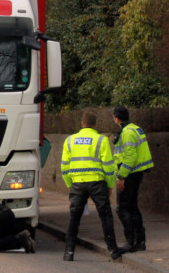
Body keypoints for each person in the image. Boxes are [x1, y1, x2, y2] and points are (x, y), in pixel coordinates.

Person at [61, 111, 124, 261]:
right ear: (95, 125)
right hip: (97, 183)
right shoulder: (101, 140)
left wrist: (70, 184)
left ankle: (68, 252)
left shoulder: (69, 140)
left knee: (74, 218)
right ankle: (113, 250)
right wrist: (109, 186)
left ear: (82, 124)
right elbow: (108, 166)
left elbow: (64, 167)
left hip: (77, 183)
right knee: (106, 216)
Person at [112, 105, 154, 253]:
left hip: (129, 174)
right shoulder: (136, 128)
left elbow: (130, 157)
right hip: (136, 173)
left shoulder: (127, 133)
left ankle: (130, 241)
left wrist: (121, 177)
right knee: (133, 207)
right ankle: (140, 241)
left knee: (122, 208)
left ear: (117, 118)